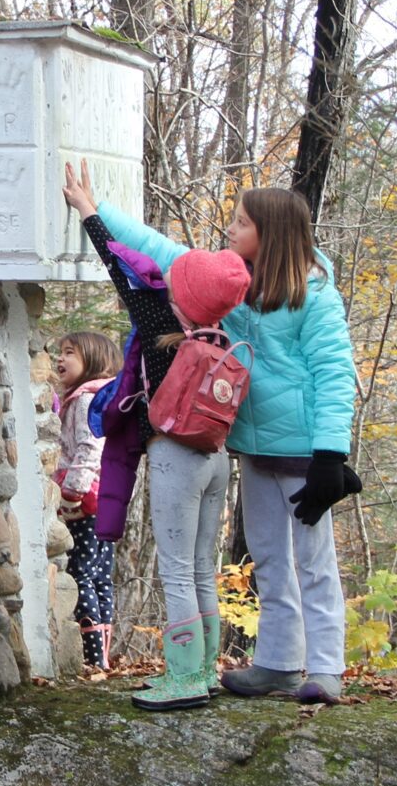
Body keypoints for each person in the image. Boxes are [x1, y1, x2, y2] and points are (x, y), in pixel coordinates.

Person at [67, 158, 359, 706]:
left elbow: (335, 373)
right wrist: (95, 206)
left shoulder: (313, 294)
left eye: (242, 222)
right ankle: (278, 660)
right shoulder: (230, 284)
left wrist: (330, 453)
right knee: (267, 558)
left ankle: (326, 667)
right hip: (251, 446)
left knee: (313, 561)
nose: (231, 227)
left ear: (268, 234)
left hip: (303, 451)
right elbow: (157, 249)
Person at [63, 161, 252, 710]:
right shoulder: (217, 332)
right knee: (199, 567)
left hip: (176, 458)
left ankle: (184, 679)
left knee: (174, 568)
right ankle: (206, 670)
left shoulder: (158, 324)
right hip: (216, 461)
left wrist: (89, 210)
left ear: (182, 287)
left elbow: (116, 264)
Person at [53, 331, 122, 669]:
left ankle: (93, 658)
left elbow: (89, 448)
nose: (59, 359)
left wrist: (71, 493)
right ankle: (103, 657)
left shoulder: (85, 399)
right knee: (100, 575)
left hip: (85, 499)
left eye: (69, 353)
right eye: (59, 353)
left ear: (92, 360)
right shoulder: (105, 396)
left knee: (82, 572)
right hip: (107, 497)